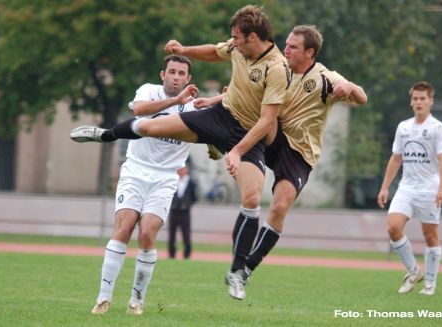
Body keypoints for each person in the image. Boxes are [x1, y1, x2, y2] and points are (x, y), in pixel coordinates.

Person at [70, 5, 290, 300]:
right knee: (149, 127)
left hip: (247, 135)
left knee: (252, 199)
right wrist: (184, 48)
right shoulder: (238, 48)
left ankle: (237, 272)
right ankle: (105, 134)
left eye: (236, 37)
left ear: (252, 37)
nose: (232, 42)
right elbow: (215, 51)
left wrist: (236, 151)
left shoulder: (277, 69)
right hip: (220, 116)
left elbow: (266, 120)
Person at [195, 25, 367, 299]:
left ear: (309, 52)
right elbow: (248, 97)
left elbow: (362, 98)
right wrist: (213, 102)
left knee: (278, 209)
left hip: (300, 155)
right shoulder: (277, 70)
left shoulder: (324, 78)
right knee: (266, 117)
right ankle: (225, 143)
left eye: (293, 46)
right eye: (286, 44)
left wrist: (351, 87)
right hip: (274, 138)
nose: (286, 49)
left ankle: (245, 269)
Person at [85, 54, 198, 316]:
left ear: (188, 78)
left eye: (182, 73)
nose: (176, 77)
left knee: (147, 233)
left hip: (166, 177)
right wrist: (176, 101)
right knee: (124, 228)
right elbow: (138, 111)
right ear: (163, 74)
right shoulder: (149, 90)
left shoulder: (195, 107)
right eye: (172, 71)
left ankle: (136, 300)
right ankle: (103, 298)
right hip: (135, 170)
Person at [377, 81, 442, 296]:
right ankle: (413, 271)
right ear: (411, 101)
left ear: (431, 101)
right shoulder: (404, 127)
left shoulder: (437, 128)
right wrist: (384, 187)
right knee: (393, 227)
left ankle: (430, 283)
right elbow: (396, 158)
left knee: (430, 237)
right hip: (406, 188)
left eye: (423, 98)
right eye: (415, 98)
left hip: (429, 190)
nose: (418, 102)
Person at [168, 164, 197, 259]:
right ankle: (171, 254)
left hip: (185, 212)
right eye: (179, 169)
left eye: (183, 169)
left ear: (186, 170)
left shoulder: (191, 182)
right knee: (172, 233)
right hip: (174, 211)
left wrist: (187, 204)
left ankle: (187, 254)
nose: (181, 171)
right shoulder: (173, 181)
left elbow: (194, 197)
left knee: (186, 234)